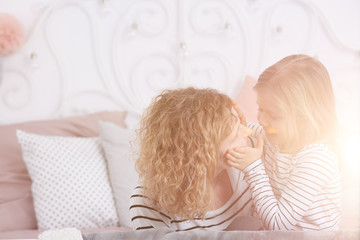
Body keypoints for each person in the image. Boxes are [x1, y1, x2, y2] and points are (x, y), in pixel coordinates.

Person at [226, 54, 342, 230]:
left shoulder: (316, 159)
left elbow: (278, 224)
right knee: (237, 225)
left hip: (305, 236)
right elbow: (252, 130)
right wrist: (234, 122)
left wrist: (253, 167)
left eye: (274, 115)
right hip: (281, 232)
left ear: (305, 119)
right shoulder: (277, 135)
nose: (262, 120)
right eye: (260, 109)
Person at [130, 87, 259, 231]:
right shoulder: (150, 202)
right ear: (202, 149)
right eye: (236, 132)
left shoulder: (250, 157)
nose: (247, 132)